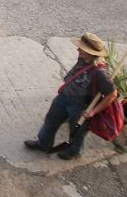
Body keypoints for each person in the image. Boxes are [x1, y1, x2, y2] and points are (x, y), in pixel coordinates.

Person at [24, 32, 118, 160]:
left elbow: (112, 95)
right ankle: (43, 143)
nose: (78, 49)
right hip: (64, 98)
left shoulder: (100, 73)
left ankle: (75, 150)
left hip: (80, 105)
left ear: (91, 53)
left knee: (77, 130)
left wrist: (93, 112)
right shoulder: (82, 59)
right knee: (51, 120)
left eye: (82, 48)